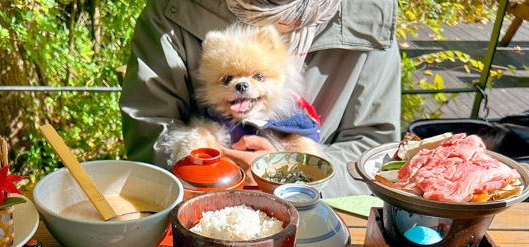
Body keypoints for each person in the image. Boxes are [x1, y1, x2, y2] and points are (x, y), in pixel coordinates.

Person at [120, 0, 401, 197]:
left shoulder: (371, 18)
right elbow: (149, 128)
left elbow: (377, 152)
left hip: (321, 228)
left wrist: (299, 172)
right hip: (196, 215)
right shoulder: (172, 11)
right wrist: (202, 168)